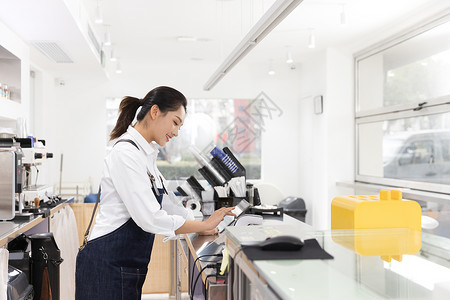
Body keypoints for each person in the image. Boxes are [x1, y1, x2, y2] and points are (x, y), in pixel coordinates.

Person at [75, 86, 234, 299]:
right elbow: (149, 217)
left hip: (125, 264)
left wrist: (200, 226)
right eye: (175, 122)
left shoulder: (145, 154)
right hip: (107, 263)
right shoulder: (126, 153)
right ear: (155, 112)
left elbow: (167, 203)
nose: (177, 132)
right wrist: (203, 224)